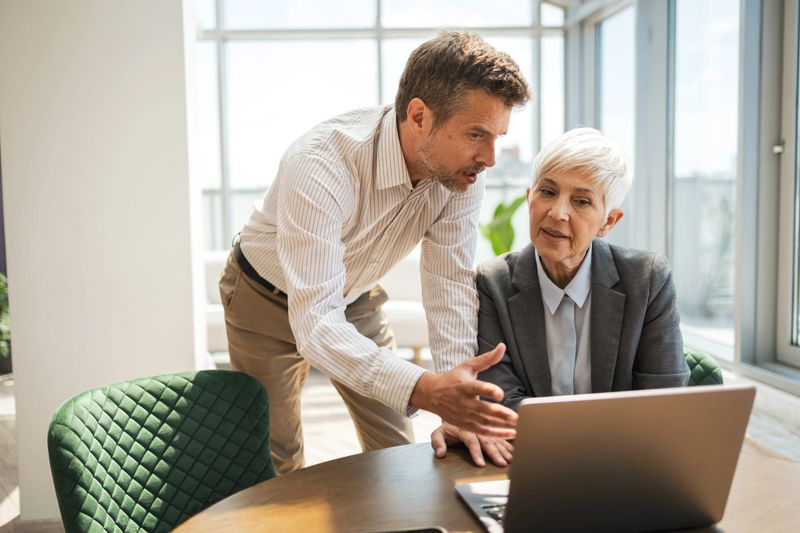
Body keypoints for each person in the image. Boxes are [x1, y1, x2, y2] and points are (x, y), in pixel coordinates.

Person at [219, 31, 531, 475]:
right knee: (276, 457)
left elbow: (449, 288)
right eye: (476, 134)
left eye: (498, 136)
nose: (490, 158)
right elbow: (316, 322)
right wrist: (424, 388)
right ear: (419, 115)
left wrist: (456, 404)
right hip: (262, 298)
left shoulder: (463, 175)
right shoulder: (322, 163)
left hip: (355, 296)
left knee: (396, 451)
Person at [431, 127, 690, 466]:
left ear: (608, 221)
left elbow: (664, 403)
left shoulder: (648, 279)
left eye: (581, 201)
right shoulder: (492, 284)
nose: (557, 213)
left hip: (627, 465)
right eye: (547, 192)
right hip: (528, 464)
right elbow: (499, 401)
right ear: (529, 198)